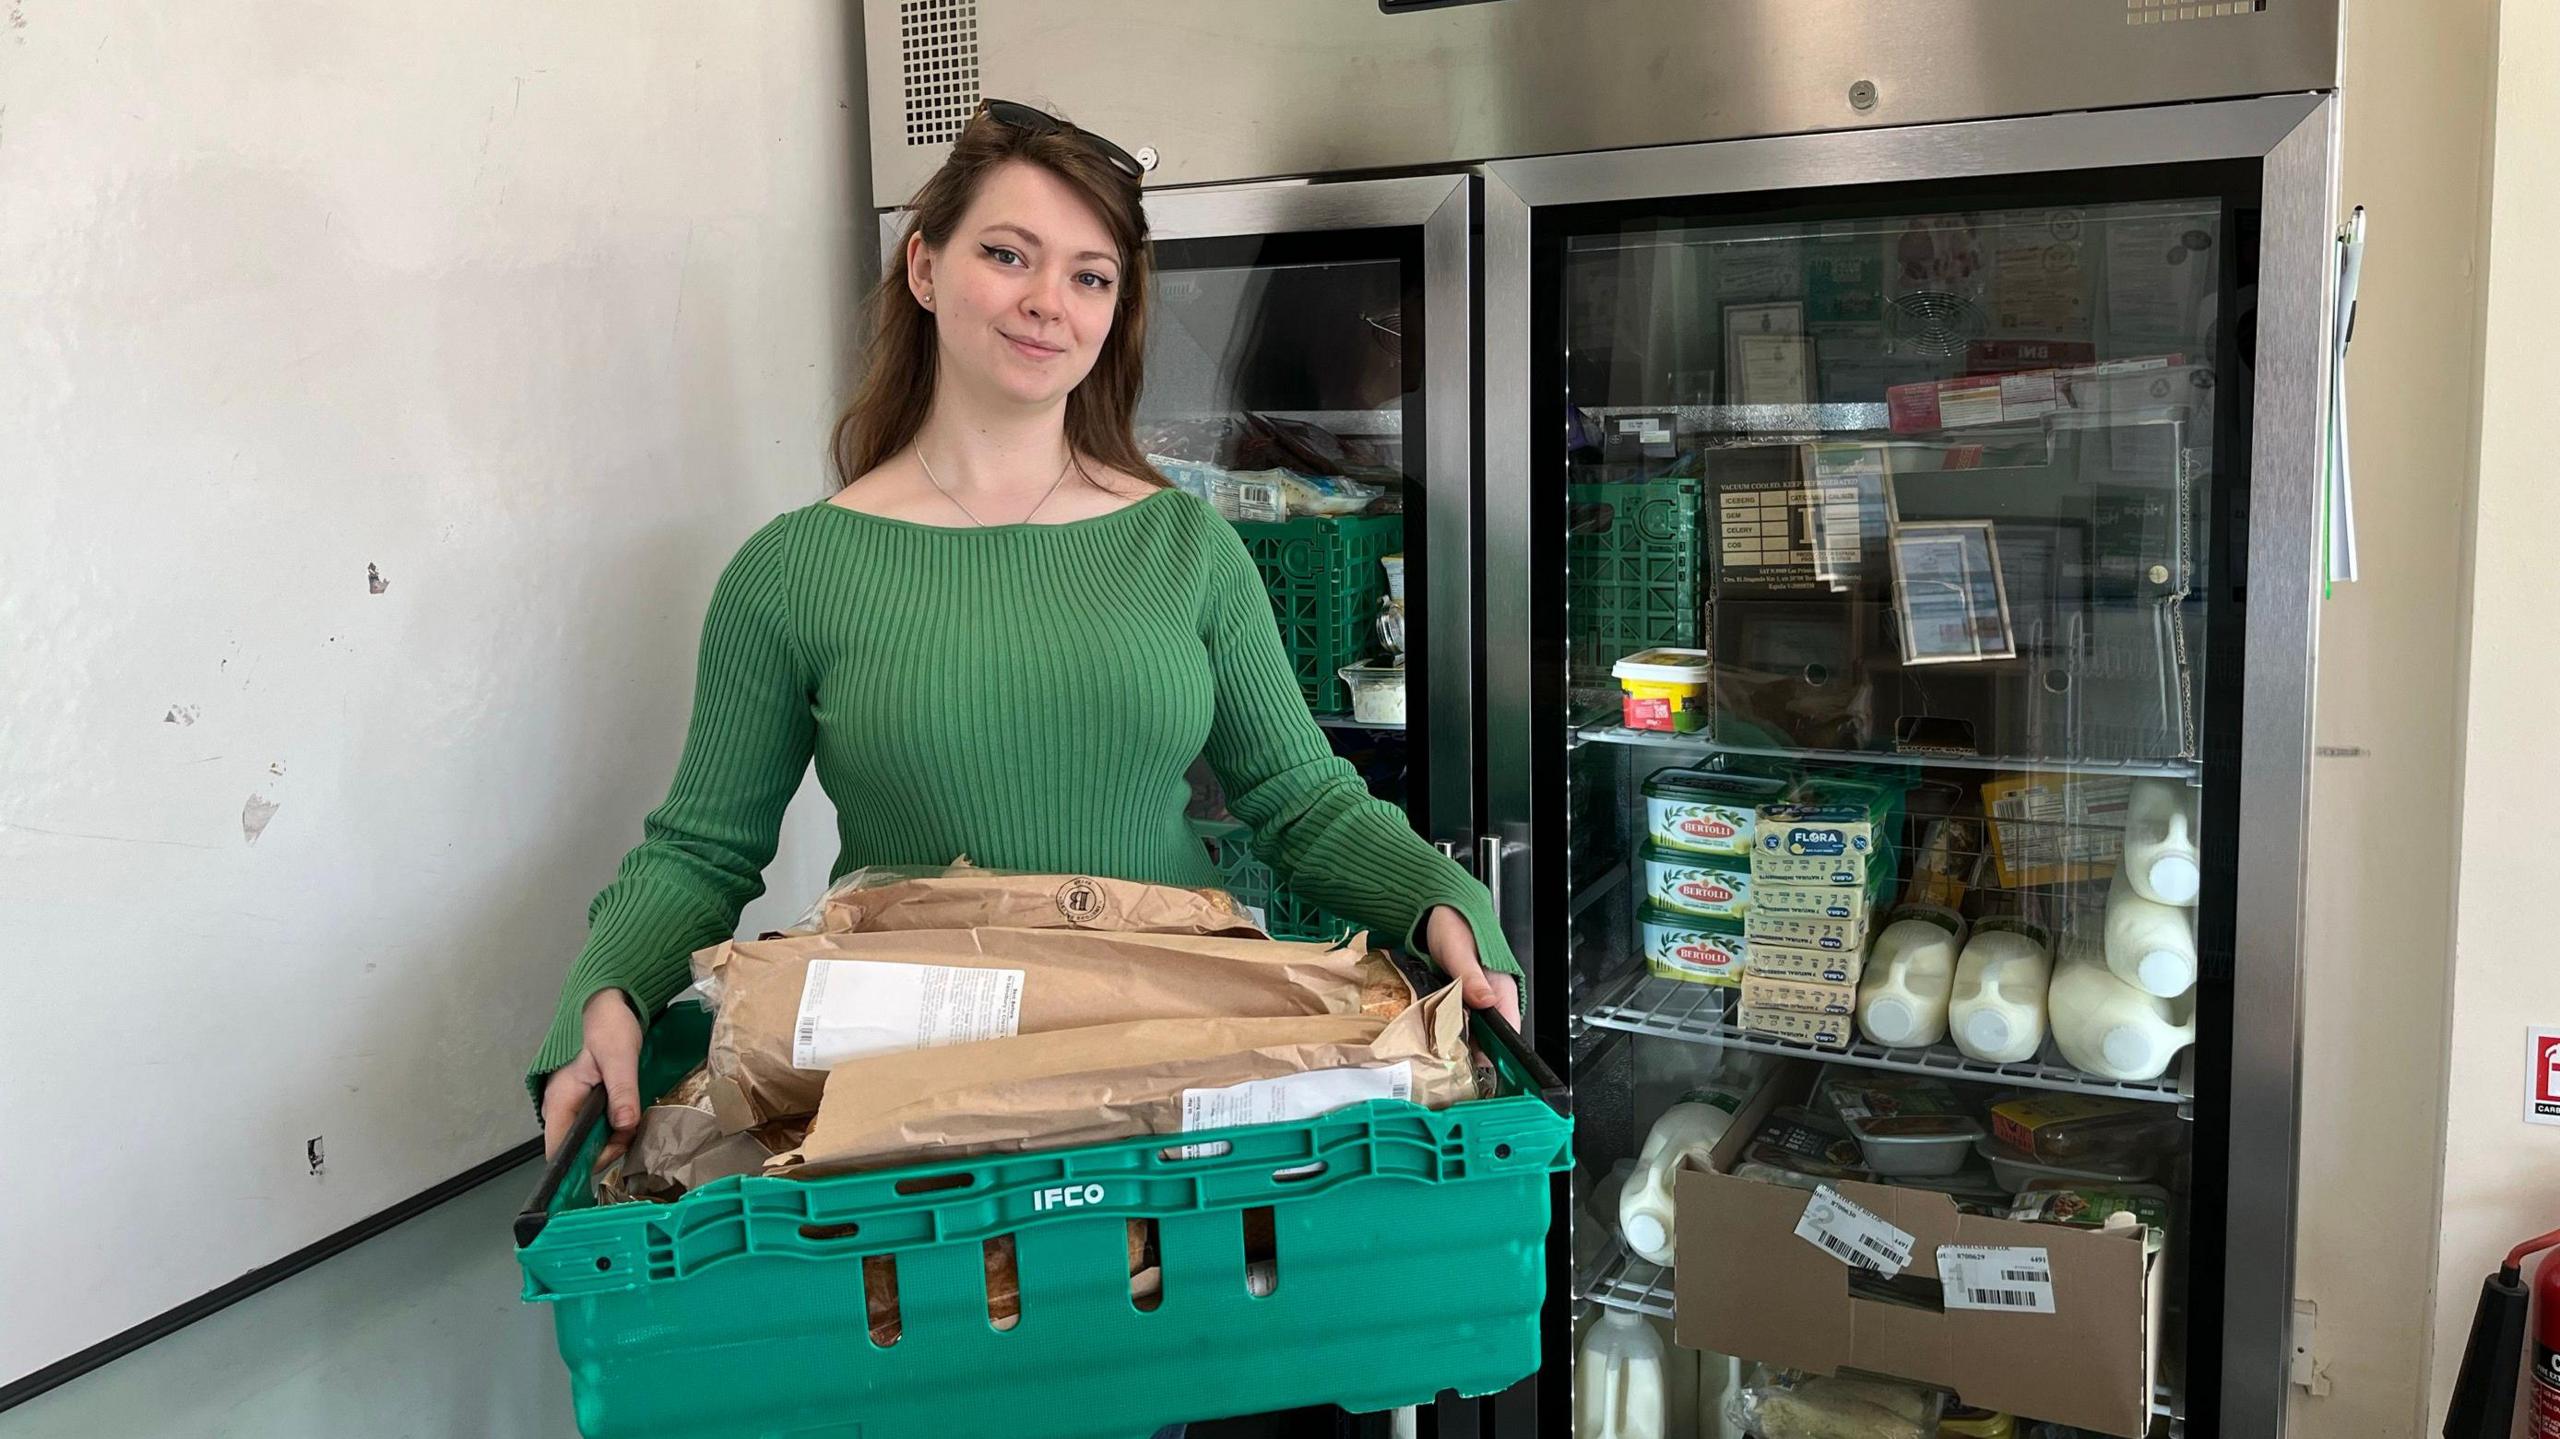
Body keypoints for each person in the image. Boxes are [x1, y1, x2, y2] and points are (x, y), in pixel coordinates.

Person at [529, 100, 1521, 1167]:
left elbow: (1300, 800)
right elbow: (703, 847)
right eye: (1008, 255)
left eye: (1090, 276)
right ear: (923, 268)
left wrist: (1443, 899)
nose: (1049, 302)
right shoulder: (791, 571)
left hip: (1170, 1059)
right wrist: (606, 987)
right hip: (911, 1095)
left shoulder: (1184, 545)